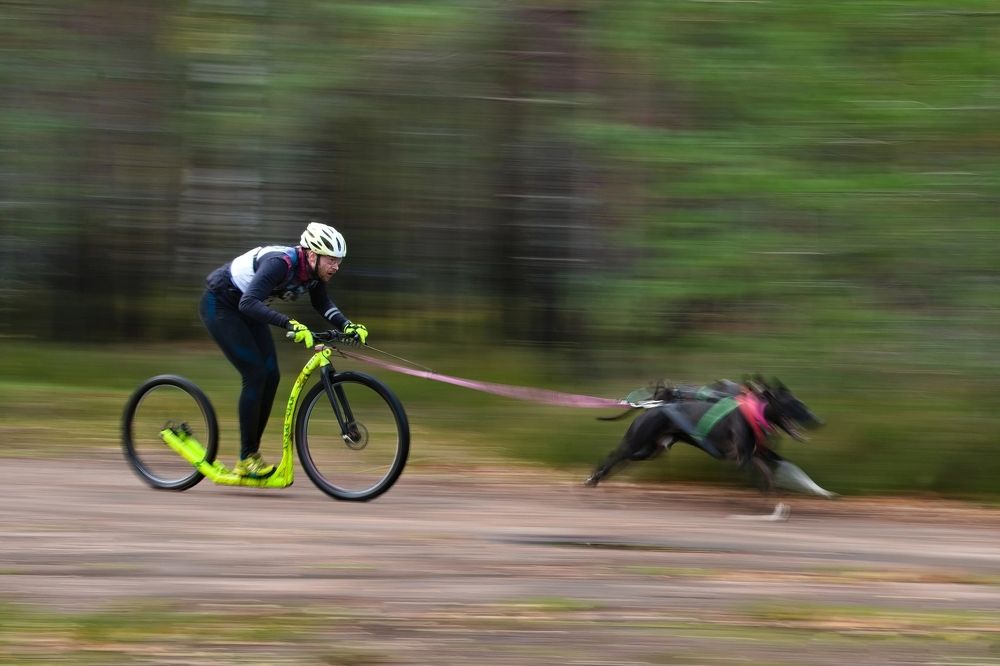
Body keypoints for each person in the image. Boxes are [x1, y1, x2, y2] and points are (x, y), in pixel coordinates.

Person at [199, 222, 368, 478]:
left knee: (272, 375)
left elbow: (321, 303)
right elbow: (247, 302)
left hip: (249, 309)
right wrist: (288, 323)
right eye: (331, 260)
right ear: (312, 254)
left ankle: (251, 454)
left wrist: (348, 325)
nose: (335, 266)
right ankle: (246, 458)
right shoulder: (281, 263)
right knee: (255, 375)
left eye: (339, 261)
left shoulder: (313, 273)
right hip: (221, 303)